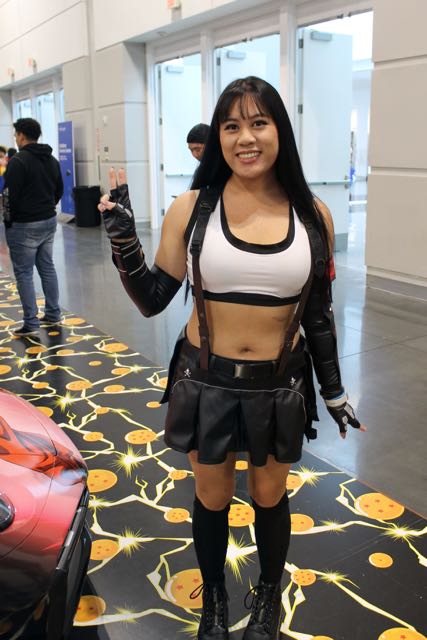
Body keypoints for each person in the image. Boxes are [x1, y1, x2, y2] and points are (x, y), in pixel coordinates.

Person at [99, 76, 366, 640]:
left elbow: (319, 314)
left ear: (279, 131)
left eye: (259, 123)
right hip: (207, 381)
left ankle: (267, 595)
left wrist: (335, 391)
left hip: (280, 384)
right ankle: (214, 599)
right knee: (212, 497)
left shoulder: (312, 214)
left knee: (270, 496)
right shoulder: (191, 209)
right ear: (219, 138)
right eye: (232, 126)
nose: (246, 138)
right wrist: (124, 241)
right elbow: (153, 298)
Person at [3, 118, 63, 335]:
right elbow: (59, 190)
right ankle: (53, 314)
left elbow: (9, 196)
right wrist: (46, 207)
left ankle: (31, 322)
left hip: (24, 225)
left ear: (21, 135)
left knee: (24, 273)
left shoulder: (18, 162)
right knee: (47, 267)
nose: (15, 138)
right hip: (48, 221)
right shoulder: (52, 160)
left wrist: (8, 221)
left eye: (15, 135)